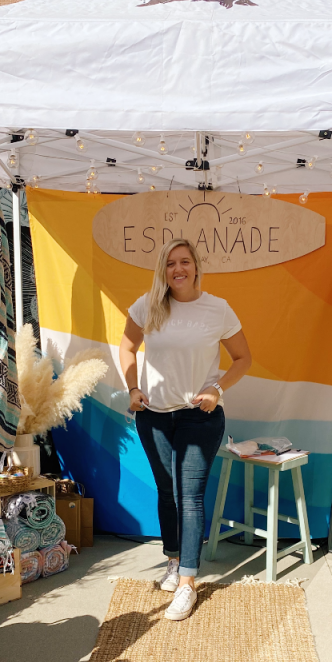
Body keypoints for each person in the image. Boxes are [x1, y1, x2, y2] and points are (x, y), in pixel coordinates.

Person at [119, 238, 252, 621]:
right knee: (166, 492)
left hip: (199, 415)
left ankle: (187, 584)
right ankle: (174, 560)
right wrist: (133, 388)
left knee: (189, 496)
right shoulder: (148, 306)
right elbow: (128, 348)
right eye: (171, 263)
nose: (178, 269)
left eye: (185, 262)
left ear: (196, 266)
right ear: (163, 269)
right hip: (154, 415)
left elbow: (243, 358)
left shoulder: (218, 309)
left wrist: (218, 388)